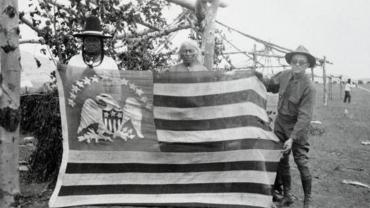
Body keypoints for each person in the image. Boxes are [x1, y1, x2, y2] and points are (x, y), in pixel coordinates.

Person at [256, 45, 316, 208]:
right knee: (281, 160)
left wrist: (292, 138)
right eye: (294, 61)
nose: (297, 65)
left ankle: (307, 200)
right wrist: (256, 76)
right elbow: (270, 84)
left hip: (298, 128)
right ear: (290, 62)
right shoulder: (284, 75)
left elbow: (305, 117)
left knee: (301, 162)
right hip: (281, 124)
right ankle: (287, 195)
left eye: (301, 62)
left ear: (307, 65)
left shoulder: (309, 87)